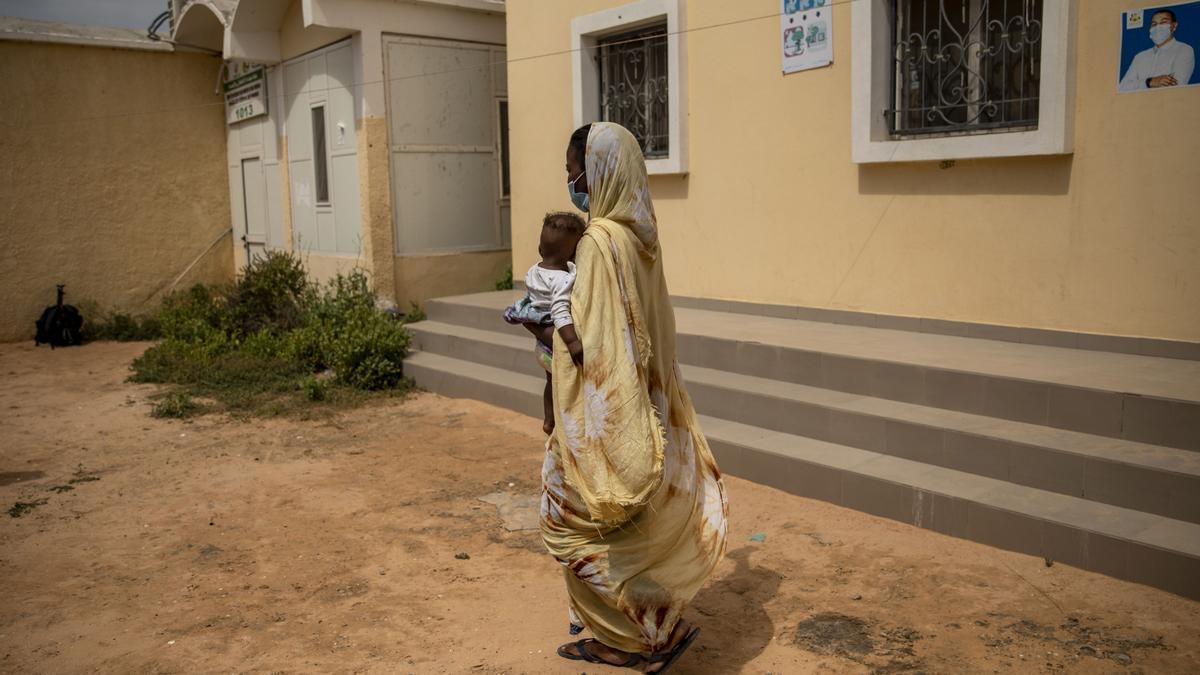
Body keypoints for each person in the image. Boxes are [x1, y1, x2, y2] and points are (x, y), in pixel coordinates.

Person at [541, 122, 729, 672]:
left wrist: (547, 335)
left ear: (597, 170)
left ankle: (632, 634)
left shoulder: (599, 242)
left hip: (610, 412)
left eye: (574, 168)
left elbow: (594, 343)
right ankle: (647, 628)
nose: (571, 180)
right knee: (634, 527)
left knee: (568, 521)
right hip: (652, 403)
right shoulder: (643, 238)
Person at [502, 211, 586, 435]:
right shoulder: (563, 279)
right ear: (572, 254)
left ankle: (549, 420)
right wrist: (572, 342)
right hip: (553, 342)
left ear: (540, 248)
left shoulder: (534, 271)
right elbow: (559, 310)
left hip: (540, 348)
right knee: (564, 386)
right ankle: (567, 426)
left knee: (550, 382)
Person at [1119, 8, 1195, 91]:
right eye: (1154, 24)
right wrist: (1149, 82)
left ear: (1174, 26)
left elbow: (1176, 85)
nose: (1158, 27)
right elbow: (1123, 87)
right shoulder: (1140, 57)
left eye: (1163, 22)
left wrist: (1138, 84)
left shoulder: (1184, 50)